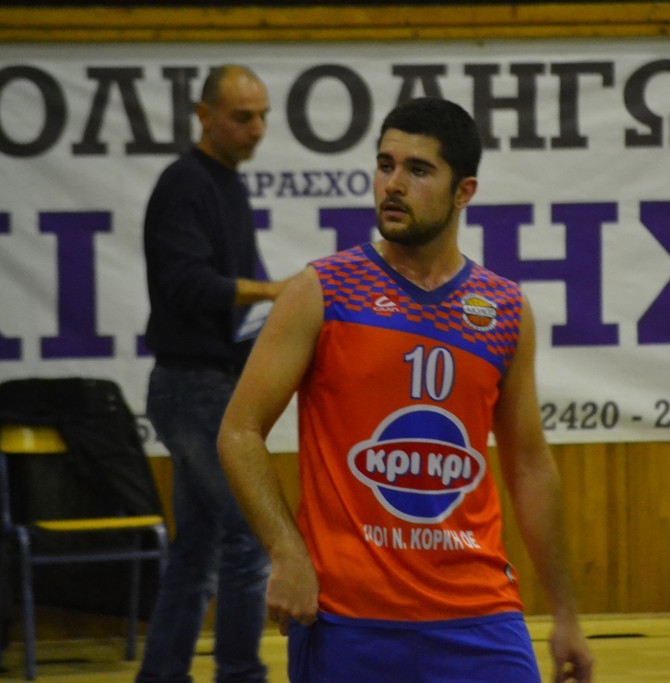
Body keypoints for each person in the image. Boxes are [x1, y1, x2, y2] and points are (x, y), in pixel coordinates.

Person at [217, 97, 594, 682]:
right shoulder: (322, 290)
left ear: (463, 192)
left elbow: (528, 464)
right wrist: (286, 551)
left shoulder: (504, 310)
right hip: (347, 618)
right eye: (385, 165)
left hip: (480, 614)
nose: (393, 184)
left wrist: (566, 613)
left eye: (418, 170)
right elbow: (239, 432)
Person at [137, 64, 289, 683]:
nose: (257, 129)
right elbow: (186, 284)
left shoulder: (226, 184)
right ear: (203, 116)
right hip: (192, 386)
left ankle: (161, 674)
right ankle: (240, 673)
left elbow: (220, 291)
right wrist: (273, 292)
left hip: (207, 381)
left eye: (263, 116)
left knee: (196, 550)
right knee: (248, 537)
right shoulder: (185, 184)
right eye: (242, 117)